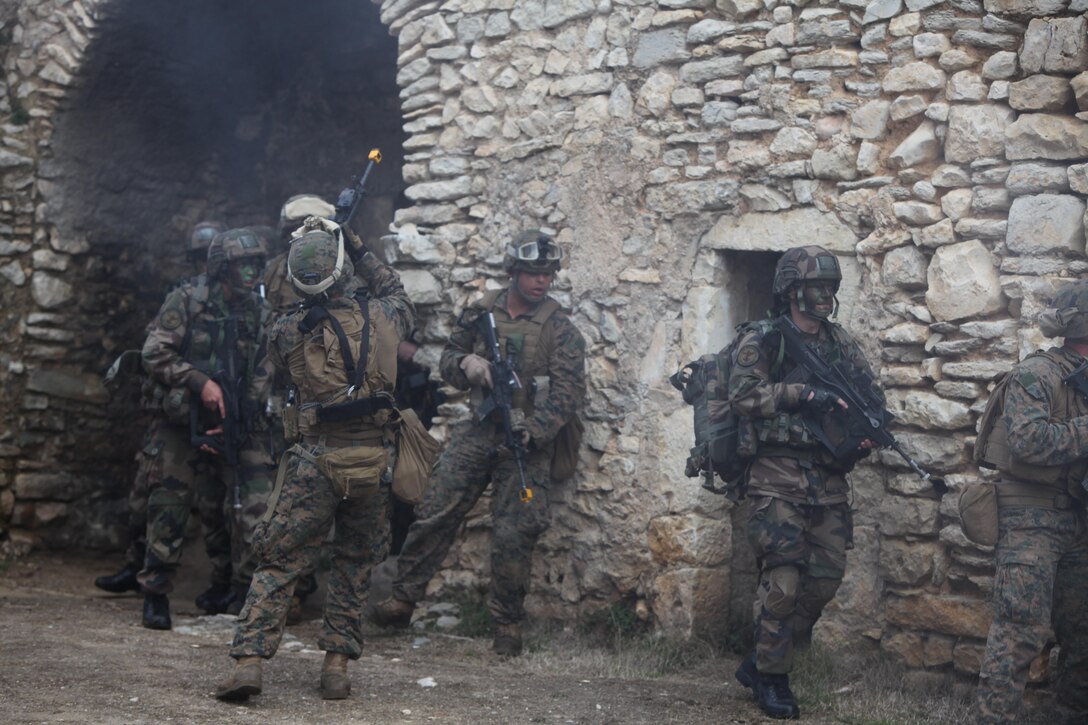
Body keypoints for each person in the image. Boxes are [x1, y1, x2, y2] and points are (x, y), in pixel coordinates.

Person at [215, 216, 413, 701]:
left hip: (314, 461)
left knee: (279, 560)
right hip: (371, 461)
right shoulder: (386, 315)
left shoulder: (285, 330)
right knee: (353, 564)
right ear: (344, 271)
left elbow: (285, 367)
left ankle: (249, 663)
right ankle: (336, 668)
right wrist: (356, 244)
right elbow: (394, 287)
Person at [369, 229, 586, 657]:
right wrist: (466, 364)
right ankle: (401, 600)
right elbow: (447, 359)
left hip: (525, 442)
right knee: (434, 510)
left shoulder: (561, 330)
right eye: (532, 273)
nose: (542, 281)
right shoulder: (480, 313)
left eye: (548, 273)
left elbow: (569, 393)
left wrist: (534, 428)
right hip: (480, 430)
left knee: (514, 534)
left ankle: (507, 626)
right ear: (514, 272)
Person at [729, 245, 881, 720]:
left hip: (828, 479)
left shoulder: (839, 345)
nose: (825, 296)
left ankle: (759, 660)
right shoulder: (766, 338)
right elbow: (743, 396)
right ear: (792, 289)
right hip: (776, 478)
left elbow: (868, 395)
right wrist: (803, 394)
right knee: (784, 580)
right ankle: (773, 679)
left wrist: (865, 433)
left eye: (831, 287)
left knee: (826, 578)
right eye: (817, 287)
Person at [136, 228, 273, 629]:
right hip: (182, 421)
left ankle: (233, 586)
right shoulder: (188, 299)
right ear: (221, 267)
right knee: (169, 504)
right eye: (243, 264)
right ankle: (156, 591)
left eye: (256, 263)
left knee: (241, 506)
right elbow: (153, 352)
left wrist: (238, 414)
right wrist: (199, 382)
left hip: (232, 421)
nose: (251, 271)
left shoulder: (258, 310)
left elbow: (265, 367)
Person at [94, 221, 231, 616]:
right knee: (156, 502)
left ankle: (224, 585)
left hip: (218, 417)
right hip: (175, 417)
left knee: (217, 506)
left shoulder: (242, 301)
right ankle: (147, 581)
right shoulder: (183, 297)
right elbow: (156, 352)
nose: (206, 265)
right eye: (199, 258)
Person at [975, 280, 1088, 723]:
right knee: (1020, 630)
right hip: (1031, 518)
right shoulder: (1037, 374)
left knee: (1082, 632)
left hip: (1078, 518)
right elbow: (1027, 441)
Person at [261, 194, 337, 621]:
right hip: (292, 395)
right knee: (290, 493)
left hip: (323, 399)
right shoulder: (276, 272)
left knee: (306, 494)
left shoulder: (343, 274)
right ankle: (290, 587)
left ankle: (298, 586)